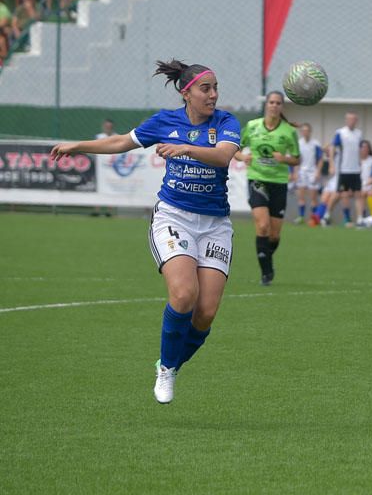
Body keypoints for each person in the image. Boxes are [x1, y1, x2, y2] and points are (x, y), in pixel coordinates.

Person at [50, 59, 241, 404]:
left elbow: (223, 157)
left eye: (215, 87)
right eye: (205, 88)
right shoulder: (164, 122)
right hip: (174, 217)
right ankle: (166, 370)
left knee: (206, 312)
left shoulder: (225, 122)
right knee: (184, 295)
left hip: (215, 225)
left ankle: (171, 364)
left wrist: (185, 148)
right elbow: (122, 142)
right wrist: (77, 146)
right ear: (186, 93)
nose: (213, 94)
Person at [236, 90, 300, 286]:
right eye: (271, 102)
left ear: (282, 107)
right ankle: (266, 272)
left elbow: (297, 159)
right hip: (257, 179)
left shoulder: (289, 132)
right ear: (266, 105)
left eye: (278, 103)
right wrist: (242, 157)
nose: (274, 105)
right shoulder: (252, 126)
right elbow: (234, 149)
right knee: (262, 225)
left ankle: (266, 256)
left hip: (279, 183)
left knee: (274, 234)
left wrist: (285, 159)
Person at [330, 111, 363, 226]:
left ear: (356, 121)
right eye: (349, 119)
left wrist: (360, 163)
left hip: (355, 170)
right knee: (341, 194)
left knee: (358, 194)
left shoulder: (359, 133)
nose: (351, 121)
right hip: (343, 169)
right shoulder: (340, 133)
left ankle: (360, 220)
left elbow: (358, 150)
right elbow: (333, 148)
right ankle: (328, 215)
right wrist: (331, 164)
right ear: (346, 120)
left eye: (353, 119)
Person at [293, 122, 322, 225]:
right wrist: (295, 172)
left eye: (307, 130)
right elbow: (296, 159)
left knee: (313, 197)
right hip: (301, 172)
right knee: (301, 196)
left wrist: (318, 171)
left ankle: (313, 218)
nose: (305, 132)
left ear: (310, 132)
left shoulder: (316, 144)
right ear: (301, 132)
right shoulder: (298, 143)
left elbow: (320, 159)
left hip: (312, 172)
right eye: (303, 130)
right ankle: (301, 217)